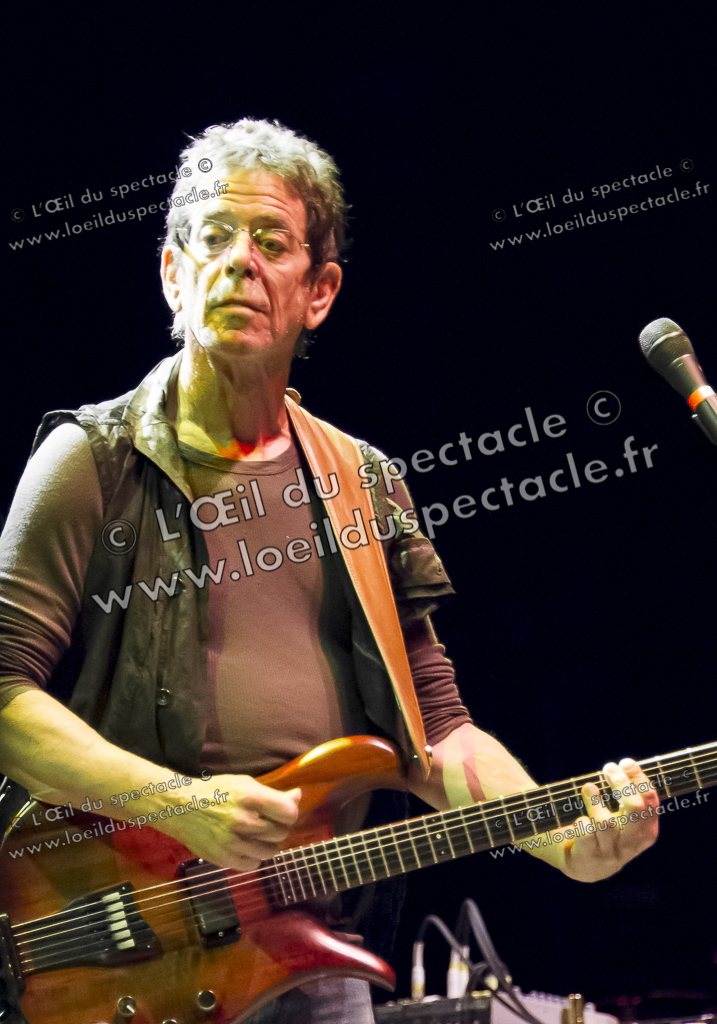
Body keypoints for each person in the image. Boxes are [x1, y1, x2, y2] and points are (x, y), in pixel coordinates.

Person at [0, 119, 658, 1023]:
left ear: (319, 292)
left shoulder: (365, 485)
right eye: (214, 236)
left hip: (308, 955)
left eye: (271, 243)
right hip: (119, 949)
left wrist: (561, 837)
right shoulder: (91, 462)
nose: (240, 262)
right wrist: (175, 804)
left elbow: (432, 730)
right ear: (173, 273)